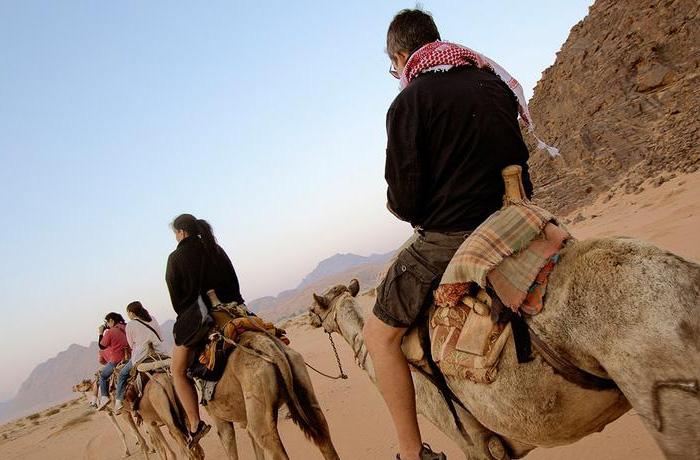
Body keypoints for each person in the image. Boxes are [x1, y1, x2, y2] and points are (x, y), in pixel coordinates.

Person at [362, 9, 534, 460]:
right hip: (519, 215)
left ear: (402, 56)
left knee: (378, 336)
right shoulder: (491, 81)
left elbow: (406, 201)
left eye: (393, 66)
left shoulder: (409, 102)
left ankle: (410, 450)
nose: (396, 73)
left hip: (456, 232)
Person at [165, 213, 245, 446]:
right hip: (234, 310)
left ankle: (195, 423)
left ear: (180, 232)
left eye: (175, 234)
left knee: (177, 371)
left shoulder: (175, 258)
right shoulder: (215, 249)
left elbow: (178, 302)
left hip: (204, 319)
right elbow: (234, 282)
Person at [113, 301, 165, 414]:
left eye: (128, 313)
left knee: (122, 374)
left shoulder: (130, 324)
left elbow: (131, 345)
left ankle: (119, 401)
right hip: (160, 352)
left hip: (142, 356)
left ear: (131, 313)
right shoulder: (152, 318)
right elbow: (161, 337)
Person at [96, 312, 130, 410]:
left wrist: (101, 332)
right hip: (132, 357)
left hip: (117, 360)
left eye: (107, 322)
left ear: (111, 320)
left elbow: (102, 346)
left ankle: (105, 397)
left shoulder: (111, 331)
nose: (107, 324)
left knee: (102, 376)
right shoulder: (127, 327)